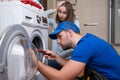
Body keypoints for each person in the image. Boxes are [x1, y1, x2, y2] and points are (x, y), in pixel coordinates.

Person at [37, 21, 120, 80]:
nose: (58, 41)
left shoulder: (84, 45)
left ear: (70, 33)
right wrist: (57, 57)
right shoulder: (87, 41)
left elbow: (60, 77)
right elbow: (75, 68)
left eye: (60, 36)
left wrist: (35, 63)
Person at [47, 1, 80, 69]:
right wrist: (55, 9)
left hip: (67, 59)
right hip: (56, 56)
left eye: (64, 13)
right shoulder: (55, 22)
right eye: (59, 12)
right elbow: (42, 16)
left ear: (69, 13)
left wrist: (58, 56)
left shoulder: (75, 23)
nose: (61, 15)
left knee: (45, 64)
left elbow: (74, 45)